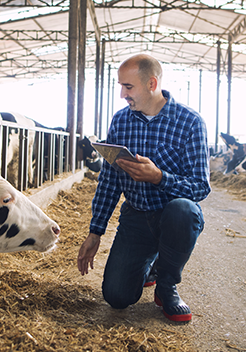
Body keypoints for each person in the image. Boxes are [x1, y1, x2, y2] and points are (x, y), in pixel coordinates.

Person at [77, 54, 211, 322]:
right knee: (116, 297)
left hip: (170, 216)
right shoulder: (121, 121)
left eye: (128, 87)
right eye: (120, 86)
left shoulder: (190, 123)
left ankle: (166, 285)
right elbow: (110, 179)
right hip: (135, 217)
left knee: (184, 210)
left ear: (151, 83)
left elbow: (200, 187)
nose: (121, 94)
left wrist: (159, 177)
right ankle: (148, 264)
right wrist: (96, 231)